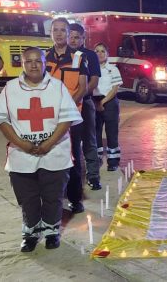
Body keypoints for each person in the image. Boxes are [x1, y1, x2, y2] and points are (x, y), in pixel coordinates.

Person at [0, 47, 82, 252]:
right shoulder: (10, 88)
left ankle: (51, 232)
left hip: (55, 152)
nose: (33, 65)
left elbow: (67, 119)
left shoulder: (57, 87)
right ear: (22, 64)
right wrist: (23, 144)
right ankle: (30, 232)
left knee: (53, 196)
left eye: (37, 61)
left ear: (44, 63)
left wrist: (48, 143)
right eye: (28, 61)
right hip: (22, 154)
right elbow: (1, 121)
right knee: (28, 198)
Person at [45, 18, 88, 214]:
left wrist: (67, 107)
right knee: (52, 157)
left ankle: (75, 198)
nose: (60, 33)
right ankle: (54, 198)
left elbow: (83, 87)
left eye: (63, 30)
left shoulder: (79, 57)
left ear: (69, 33)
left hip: (71, 115)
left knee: (73, 157)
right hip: (49, 117)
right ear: (51, 32)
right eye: (56, 30)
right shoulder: (44, 58)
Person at [67, 23, 102, 190]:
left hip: (85, 104)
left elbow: (94, 80)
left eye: (76, 37)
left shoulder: (90, 56)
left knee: (89, 141)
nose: (72, 40)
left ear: (83, 38)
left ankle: (93, 176)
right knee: (69, 142)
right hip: (64, 107)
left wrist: (79, 96)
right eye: (70, 36)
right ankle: (72, 179)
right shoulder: (62, 55)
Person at [93, 43, 123, 171]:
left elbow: (115, 88)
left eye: (102, 51)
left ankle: (113, 161)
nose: (99, 54)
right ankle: (97, 157)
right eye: (97, 51)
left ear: (107, 54)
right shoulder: (90, 69)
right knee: (95, 132)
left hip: (109, 102)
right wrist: (96, 103)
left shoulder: (113, 69)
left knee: (111, 132)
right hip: (94, 101)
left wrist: (103, 102)